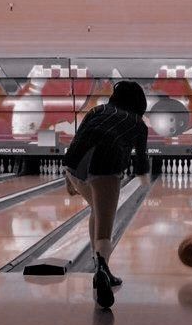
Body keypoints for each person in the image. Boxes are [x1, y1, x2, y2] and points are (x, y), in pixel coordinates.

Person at [64, 81, 150, 308]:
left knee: (97, 211)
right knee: (105, 227)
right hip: (106, 168)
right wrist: (144, 179)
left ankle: (98, 265)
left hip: (73, 166)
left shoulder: (97, 110)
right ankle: (102, 268)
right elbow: (141, 161)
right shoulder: (139, 124)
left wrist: (68, 179)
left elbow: (77, 141)